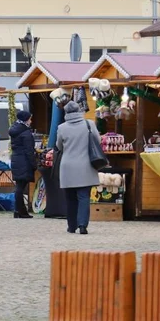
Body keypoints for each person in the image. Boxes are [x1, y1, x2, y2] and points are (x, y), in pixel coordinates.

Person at [55, 100, 100, 234]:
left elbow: (59, 146)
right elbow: (97, 140)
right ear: (79, 110)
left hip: (67, 166)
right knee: (84, 196)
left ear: (66, 112)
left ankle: (71, 226)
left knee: (70, 198)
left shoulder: (61, 127)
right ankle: (82, 225)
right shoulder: (89, 124)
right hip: (86, 165)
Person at [8, 109, 37, 219]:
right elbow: (29, 151)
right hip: (24, 161)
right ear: (26, 119)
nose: (31, 121)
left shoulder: (15, 130)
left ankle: (18, 210)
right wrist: (34, 164)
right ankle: (21, 211)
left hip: (16, 160)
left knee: (19, 186)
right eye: (30, 119)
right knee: (20, 187)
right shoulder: (26, 133)